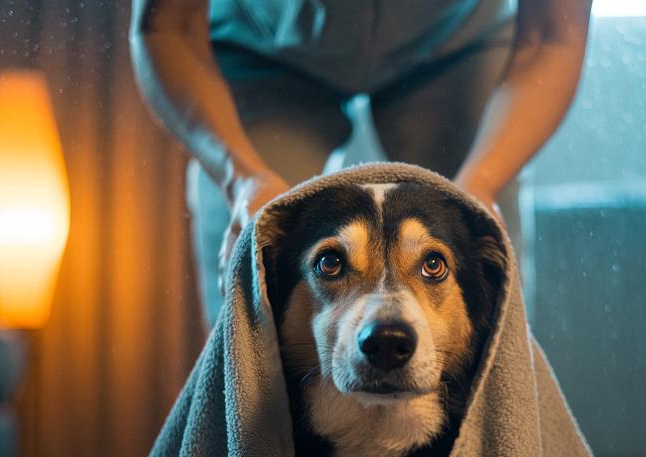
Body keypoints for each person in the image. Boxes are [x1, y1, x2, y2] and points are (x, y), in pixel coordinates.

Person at [131, 0, 593, 320]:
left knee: (483, 300)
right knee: (253, 295)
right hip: (263, 51)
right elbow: (166, 26)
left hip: (455, 45)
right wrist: (242, 180)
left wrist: (483, 185)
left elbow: (551, 36)